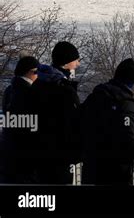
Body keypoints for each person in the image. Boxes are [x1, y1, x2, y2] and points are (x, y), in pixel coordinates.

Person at [81, 58, 134, 185]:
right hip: (116, 174)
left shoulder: (96, 96)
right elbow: (128, 144)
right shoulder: (126, 105)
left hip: (91, 171)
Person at [31, 41, 81, 184]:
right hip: (58, 157)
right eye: (75, 60)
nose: (77, 64)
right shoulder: (62, 88)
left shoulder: (39, 83)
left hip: (39, 154)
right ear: (65, 63)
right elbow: (70, 122)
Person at [0, 56, 39, 183]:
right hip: (24, 154)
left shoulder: (10, 90)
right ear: (29, 72)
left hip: (9, 151)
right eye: (36, 72)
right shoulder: (27, 92)